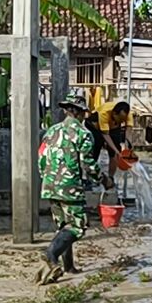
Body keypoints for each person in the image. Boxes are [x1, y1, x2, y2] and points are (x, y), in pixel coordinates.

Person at [35, 93, 114, 286]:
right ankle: (50, 255)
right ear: (81, 113)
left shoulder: (51, 131)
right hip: (69, 186)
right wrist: (104, 180)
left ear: (65, 111)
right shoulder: (83, 134)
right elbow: (88, 164)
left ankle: (68, 266)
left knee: (64, 226)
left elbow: (41, 157)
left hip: (49, 184)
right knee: (77, 226)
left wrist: (47, 178)